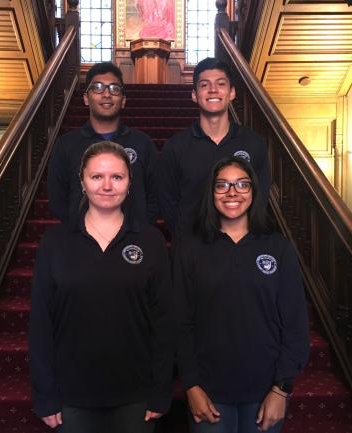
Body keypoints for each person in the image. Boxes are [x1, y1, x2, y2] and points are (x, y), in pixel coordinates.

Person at [30, 141, 175, 433]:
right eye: (97, 177)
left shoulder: (151, 241)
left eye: (117, 177)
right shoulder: (55, 242)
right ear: (82, 182)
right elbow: (41, 323)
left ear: (130, 183)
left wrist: (161, 391)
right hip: (71, 395)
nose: (107, 186)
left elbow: (164, 322)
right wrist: (45, 394)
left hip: (136, 394)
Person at [174, 156, 309, 433]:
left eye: (241, 185)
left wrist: (282, 389)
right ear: (211, 193)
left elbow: (295, 324)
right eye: (222, 185)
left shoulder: (278, 248)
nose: (232, 192)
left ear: (254, 192)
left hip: (266, 389)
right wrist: (191, 385)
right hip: (208, 389)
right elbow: (179, 322)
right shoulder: (189, 249)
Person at [158, 57, 271, 240]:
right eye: (204, 85)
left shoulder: (253, 143)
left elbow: (261, 195)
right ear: (194, 95)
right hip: (191, 247)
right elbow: (167, 200)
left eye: (220, 84)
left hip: (240, 245)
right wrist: (185, 238)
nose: (213, 90)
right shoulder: (175, 146)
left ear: (232, 92)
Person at [48, 62, 158, 225]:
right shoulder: (66, 145)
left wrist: (137, 227)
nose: (106, 94)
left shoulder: (142, 143)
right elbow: (57, 198)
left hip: (133, 240)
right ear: (86, 98)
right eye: (98, 87)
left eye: (114, 88)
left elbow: (156, 196)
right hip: (81, 241)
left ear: (123, 100)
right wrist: (80, 229)